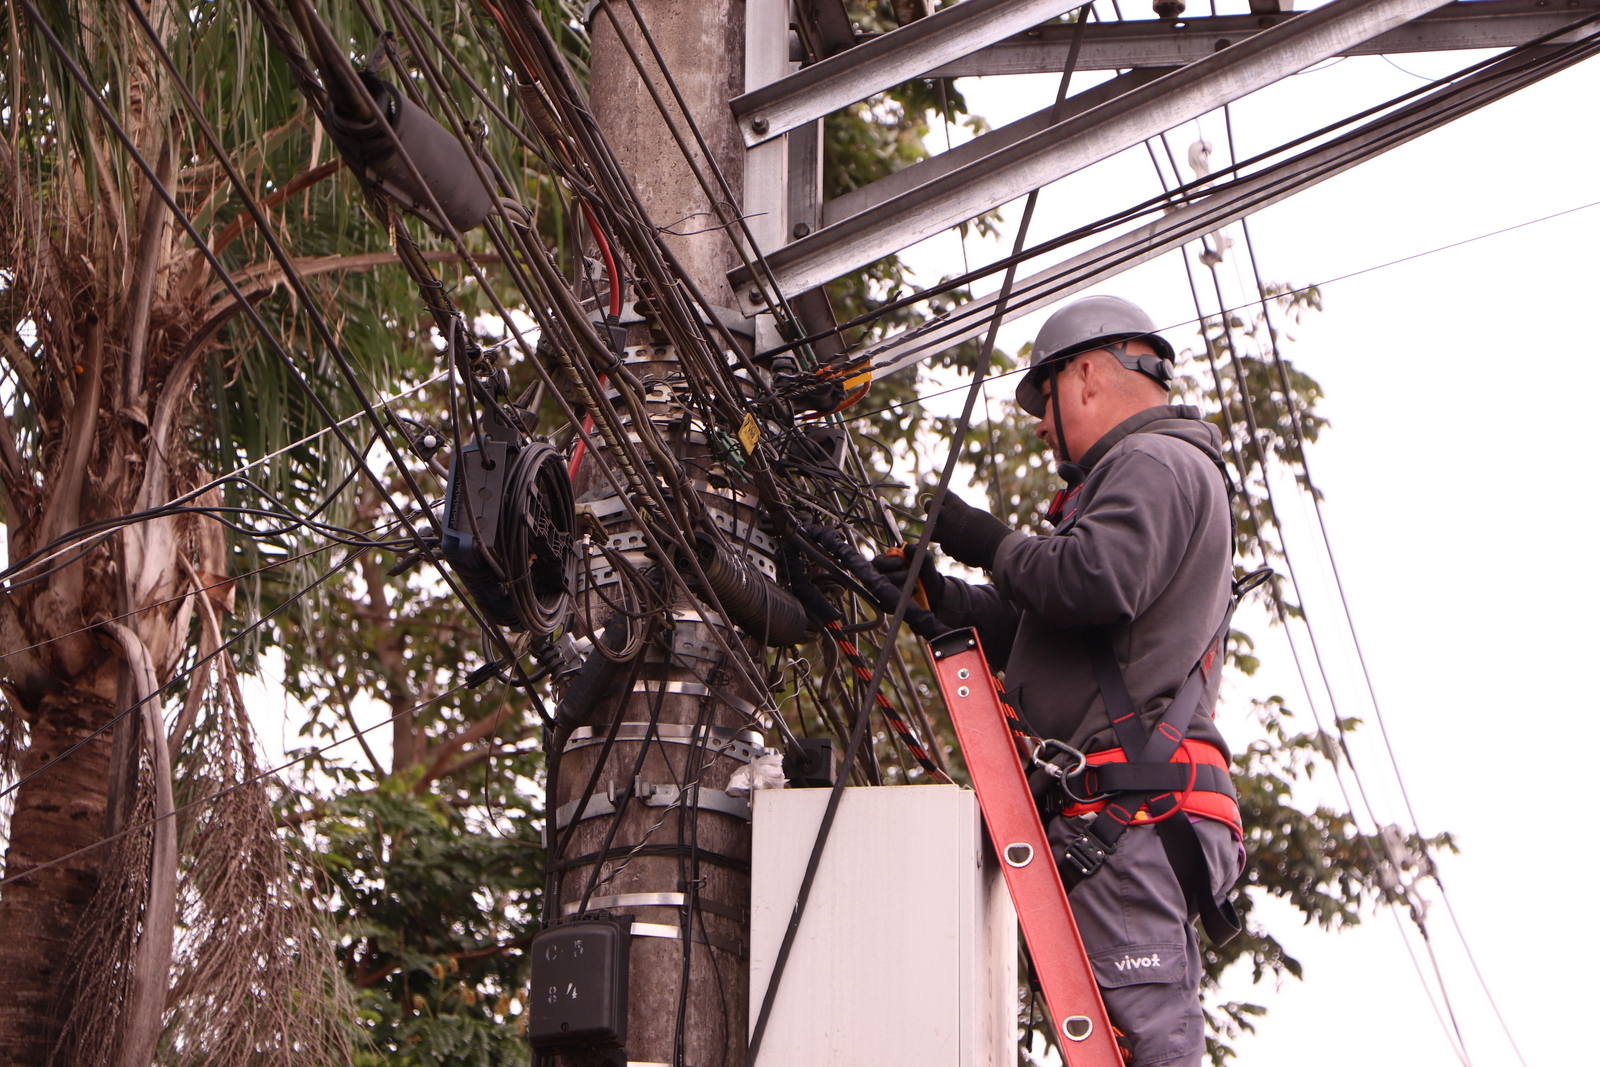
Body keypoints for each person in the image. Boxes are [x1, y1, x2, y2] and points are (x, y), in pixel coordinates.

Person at [888, 295, 1246, 1067]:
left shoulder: (1151, 460)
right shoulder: (1156, 470)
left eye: (1041, 405)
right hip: (1130, 816)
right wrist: (944, 600)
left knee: (1145, 1048)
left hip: (1131, 815)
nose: (1042, 429)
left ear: (1084, 374)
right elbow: (1062, 638)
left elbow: (1092, 579)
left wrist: (988, 540)